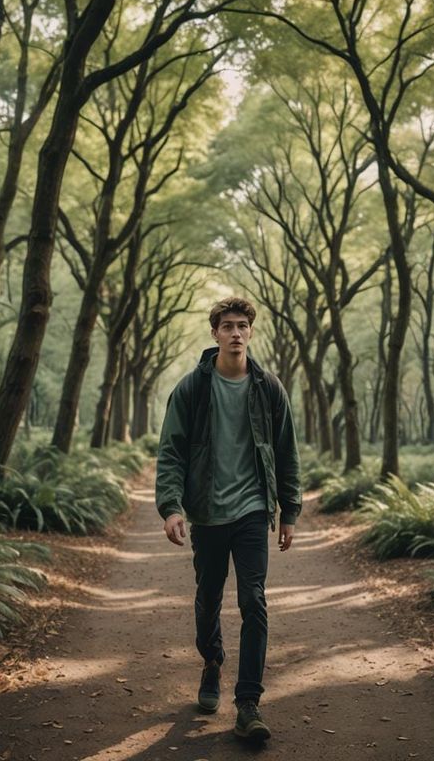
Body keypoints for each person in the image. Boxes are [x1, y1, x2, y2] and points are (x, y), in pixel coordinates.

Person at [155, 295, 302, 747]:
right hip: (208, 513)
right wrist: (172, 507)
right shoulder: (192, 388)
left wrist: (289, 511)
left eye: (243, 325)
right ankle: (212, 660)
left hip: (254, 510)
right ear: (215, 333)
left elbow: (285, 452)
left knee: (254, 600)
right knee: (208, 599)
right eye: (227, 326)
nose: (236, 333)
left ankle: (248, 704)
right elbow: (172, 451)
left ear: (251, 332)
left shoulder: (268, 387)